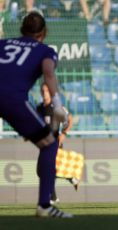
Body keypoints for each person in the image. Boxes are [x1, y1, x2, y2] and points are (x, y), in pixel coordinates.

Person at [0, 12, 72, 218]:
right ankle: (44, 205)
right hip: (11, 99)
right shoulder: (44, 50)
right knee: (49, 144)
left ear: (22, 29)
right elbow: (48, 73)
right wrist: (57, 103)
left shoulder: (2, 43)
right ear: (44, 32)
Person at [37, 83, 78, 205]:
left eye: (47, 91)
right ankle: (69, 177)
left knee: (45, 170)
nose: (45, 94)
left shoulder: (56, 108)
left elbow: (70, 119)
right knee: (42, 171)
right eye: (43, 91)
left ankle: (53, 197)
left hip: (55, 143)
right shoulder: (39, 108)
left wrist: (64, 133)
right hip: (44, 144)